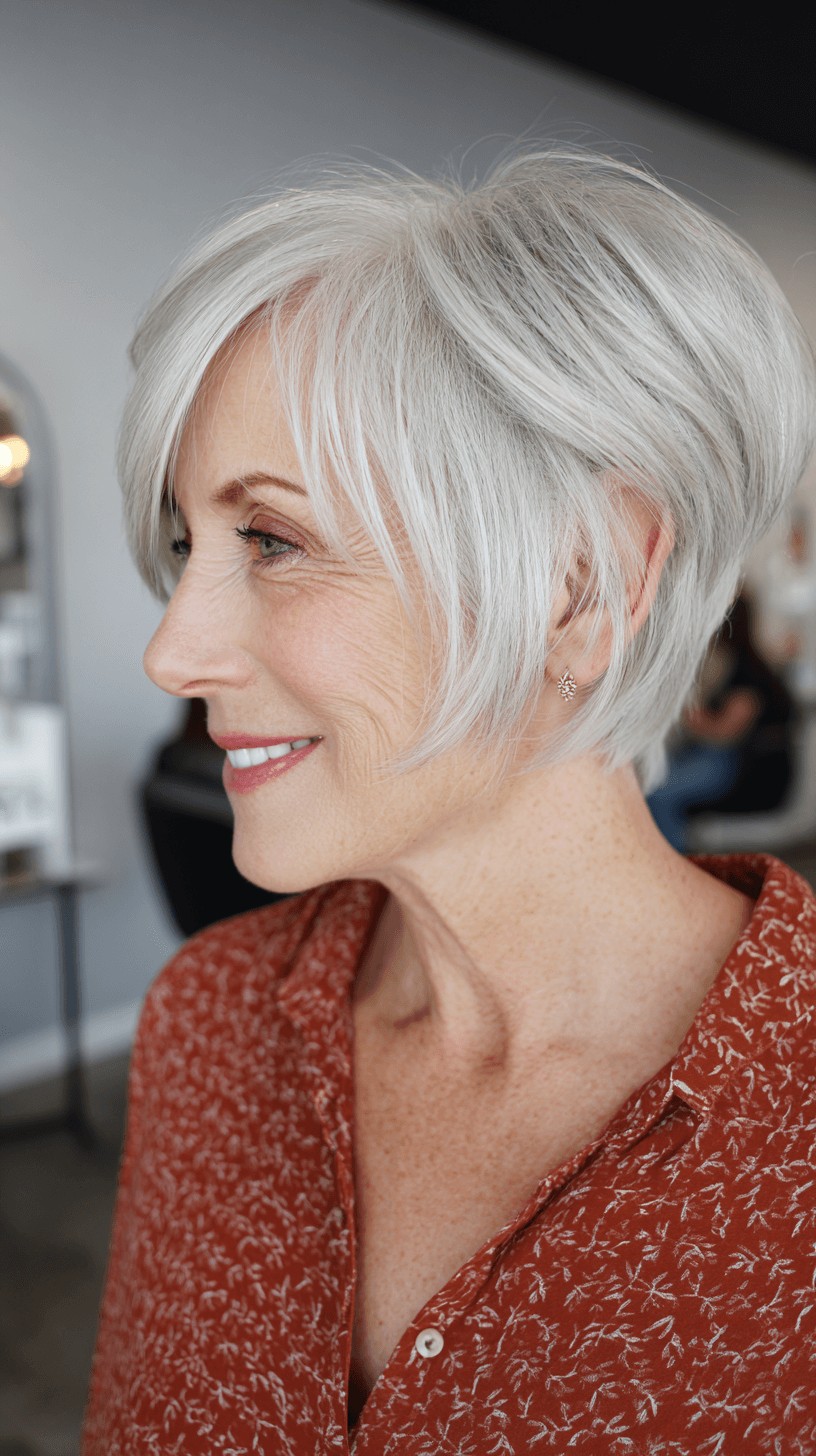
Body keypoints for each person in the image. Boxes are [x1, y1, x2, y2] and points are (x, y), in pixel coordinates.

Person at [81, 146, 816, 1453]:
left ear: (580, 584)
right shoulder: (208, 1028)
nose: (172, 651)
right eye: (190, 546)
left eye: (274, 539)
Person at [646, 589, 798, 850]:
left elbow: (725, 732)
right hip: (724, 760)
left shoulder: (748, 675)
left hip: (738, 767)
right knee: (650, 784)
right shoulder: (738, 663)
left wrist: (683, 713)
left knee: (657, 793)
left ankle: (678, 861)